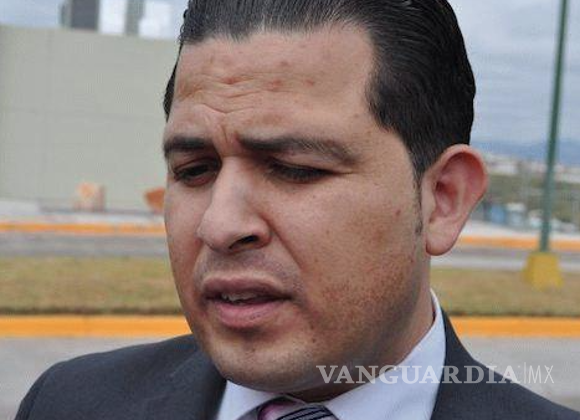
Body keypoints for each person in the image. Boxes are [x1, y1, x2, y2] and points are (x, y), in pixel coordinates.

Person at [15, 1, 580, 419]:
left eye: (294, 168)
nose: (219, 225)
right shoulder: (66, 403)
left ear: (443, 200)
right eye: (194, 170)